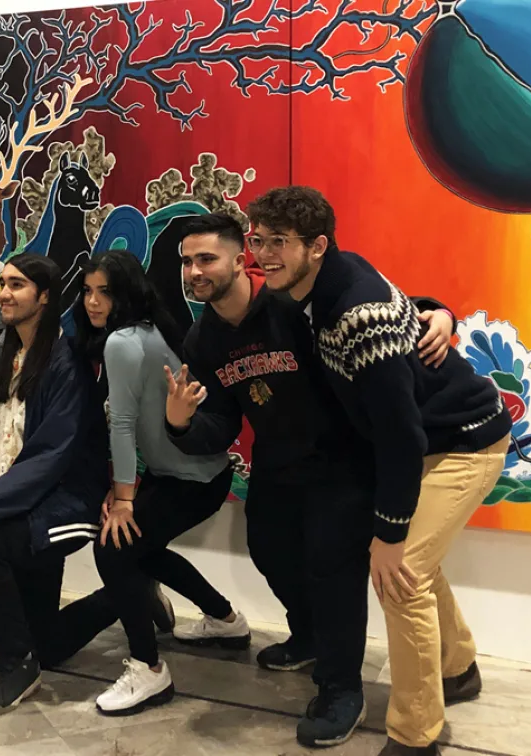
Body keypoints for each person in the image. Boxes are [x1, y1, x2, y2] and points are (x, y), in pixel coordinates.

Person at [163, 212, 456, 748]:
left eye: (206, 258)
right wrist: (181, 421)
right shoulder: (202, 340)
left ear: (237, 258)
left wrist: (438, 313)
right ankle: (312, 637)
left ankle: (341, 687)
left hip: (343, 459)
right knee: (268, 548)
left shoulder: (289, 305)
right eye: (187, 261)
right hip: (278, 464)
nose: (194, 271)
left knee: (332, 568)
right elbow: (222, 423)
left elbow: (375, 307)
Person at [247, 186, 510, 756]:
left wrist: (388, 534)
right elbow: (401, 303)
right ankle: (458, 669)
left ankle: (416, 737)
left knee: (402, 573)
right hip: (430, 441)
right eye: (258, 240)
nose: (263, 254)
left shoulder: (355, 314)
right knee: (417, 563)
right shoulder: (327, 281)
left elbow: (399, 436)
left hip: (464, 443)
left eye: (278, 243)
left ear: (317, 247)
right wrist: (437, 310)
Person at [53, 250, 245, 716]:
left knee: (114, 548)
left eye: (105, 292)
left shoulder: (122, 341)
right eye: (87, 292)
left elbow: (121, 424)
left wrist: (123, 499)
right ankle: (226, 620)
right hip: (187, 473)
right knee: (142, 549)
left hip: (194, 478)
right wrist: (122, 490)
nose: (93, 302)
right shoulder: (140, 331)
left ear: (127, 294)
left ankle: (149, 669)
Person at [0, 254, 109, 718]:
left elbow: (49, 457)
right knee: (49, 644)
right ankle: (127, 597)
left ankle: (16, 664)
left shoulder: (65, 361)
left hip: (61, 504)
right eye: (2, 285)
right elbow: (2, 447)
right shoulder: (9, 358)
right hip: (19, 504)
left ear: (45, 296)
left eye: (16, 285)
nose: (5, 294)